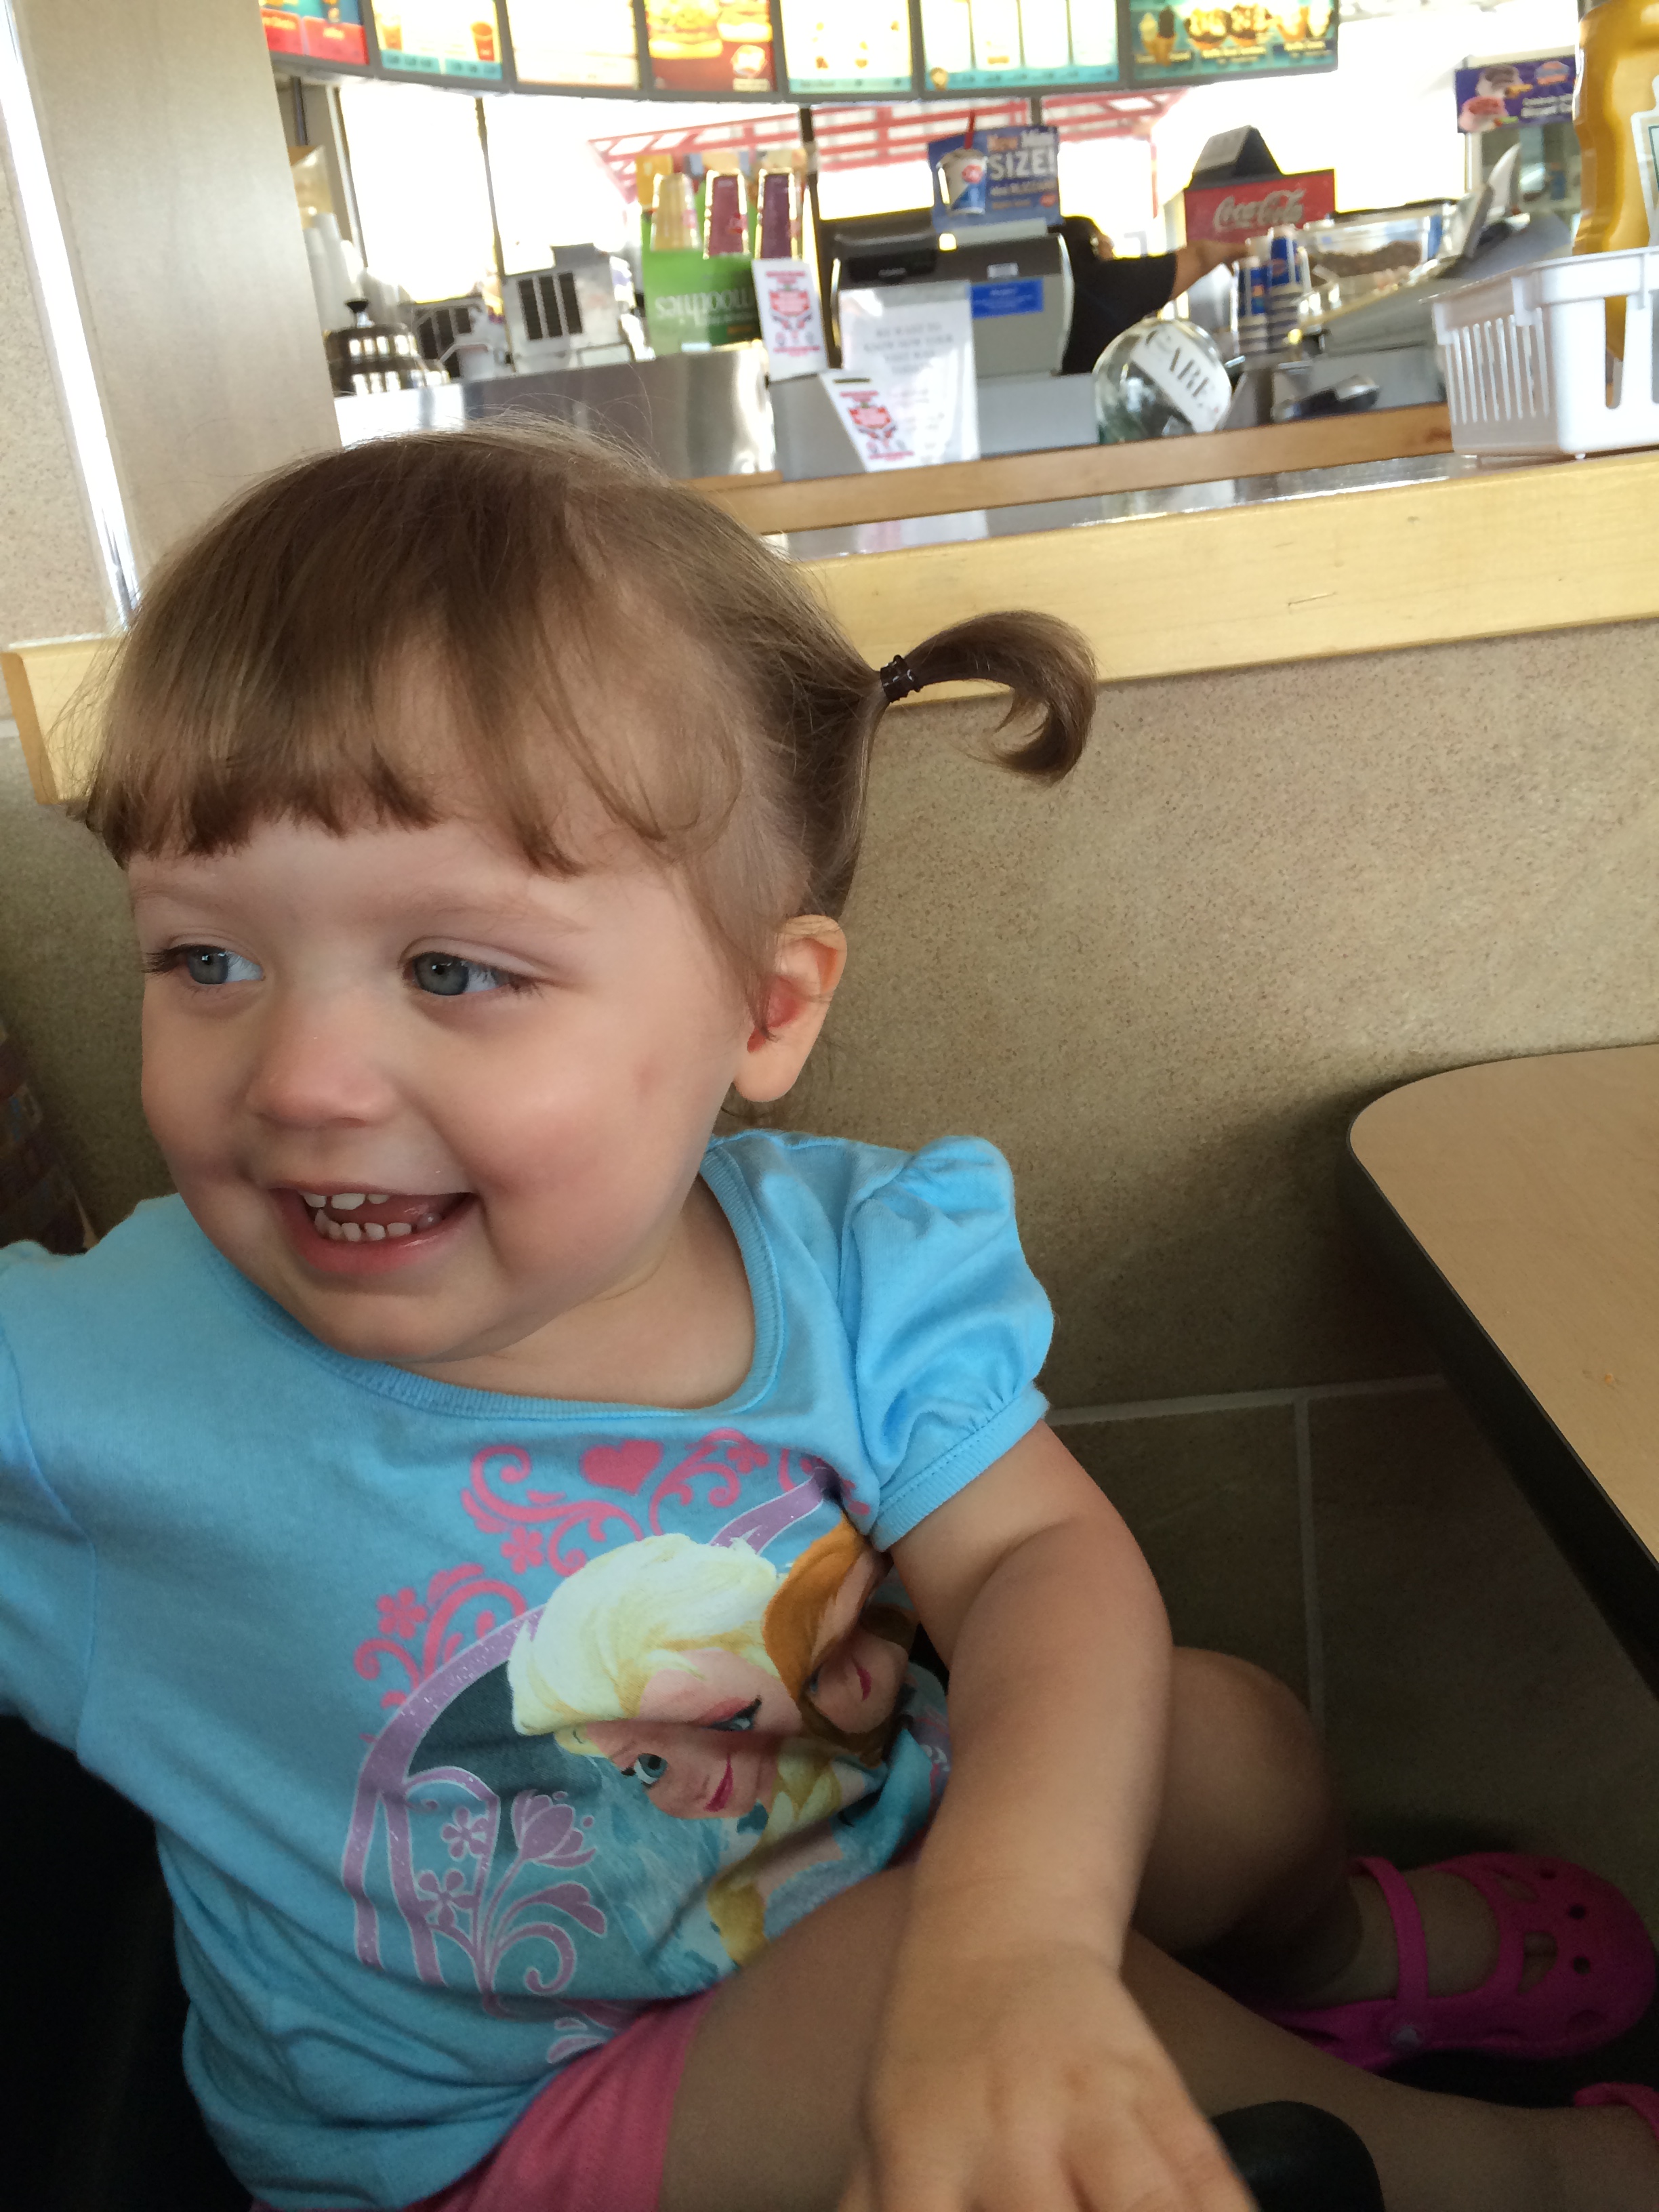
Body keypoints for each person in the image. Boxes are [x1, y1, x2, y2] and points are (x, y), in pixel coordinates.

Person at [1, 424, 1656, 2212]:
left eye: (453, 968)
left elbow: (1034, 1567)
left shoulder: (853, 1258)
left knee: (1225, 1747)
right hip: (500, 2135)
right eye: (208, 959)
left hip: (873, 1855)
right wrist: (994, 1962)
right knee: (903, 1993)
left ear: (766, 1010)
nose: (302, 1079)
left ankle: (1327, 1971)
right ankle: (1533, 2177)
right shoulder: (93, 1381)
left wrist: (1015, 1941)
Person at [1059, 213, 1240, 375]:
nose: (1113, 253)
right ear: (1094, 246)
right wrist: (1247, 250)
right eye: (1109, 244)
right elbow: (1202, 256)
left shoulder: (1059, 304)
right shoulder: (1106, 283)